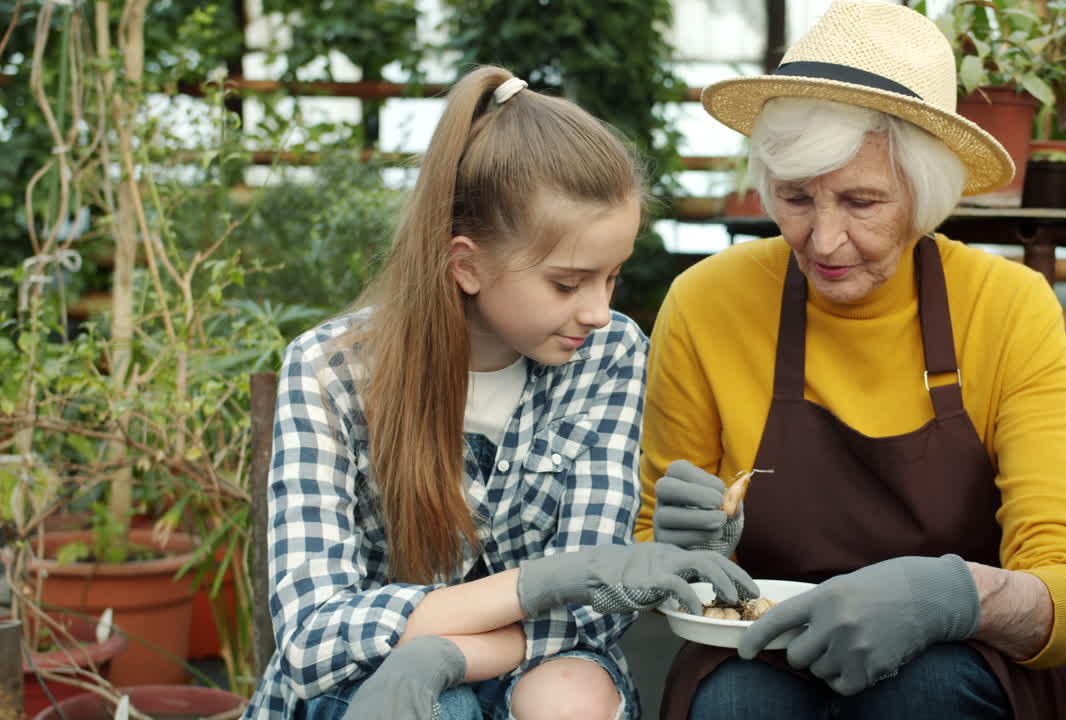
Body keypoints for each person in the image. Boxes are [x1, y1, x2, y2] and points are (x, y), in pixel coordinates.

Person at [635, 2, 1066, 718]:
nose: (823, 240)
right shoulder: (708, 303)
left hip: (952, 657)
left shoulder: (1008, 308)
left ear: (926, 197)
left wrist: (951, 596)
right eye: (796, 197)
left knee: (926, 694)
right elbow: (649, 551)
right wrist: (687, 554)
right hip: (758, 645)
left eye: (861, 202)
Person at [243, 66, 758, 720]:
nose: (599, 312)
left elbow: (589, 617)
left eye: (613, 277)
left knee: (568, 697)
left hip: (523, 659)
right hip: (368, 687)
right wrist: (545, 583)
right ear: (468, 265)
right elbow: (314, 637)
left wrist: (444, 652)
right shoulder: (330, 371)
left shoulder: (608, 355)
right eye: (568, 283)